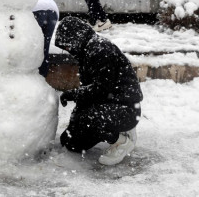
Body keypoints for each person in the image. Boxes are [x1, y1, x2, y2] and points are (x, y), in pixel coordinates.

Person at [54, 16, 143, 166]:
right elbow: (90, 92)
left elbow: (100, 90)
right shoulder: (86, 50)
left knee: (90, 119)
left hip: (125, 108)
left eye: (68, 46)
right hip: (104, 105)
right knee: (71, 143)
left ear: (76, 38)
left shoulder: (101, 50)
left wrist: (73, 94)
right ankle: (111, 128)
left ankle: (122, 140)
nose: (68, 50)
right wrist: (75, 123)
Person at [33, 0, 59, 77]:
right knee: (44, 47)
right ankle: (42, 77)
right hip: (52, 9)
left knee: (31, 48)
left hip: (35, 8)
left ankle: (33, 79)